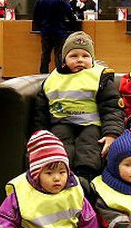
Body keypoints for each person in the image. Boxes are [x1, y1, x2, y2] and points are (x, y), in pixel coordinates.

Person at [33, 31, 124, 180]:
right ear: (63, 60)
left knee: (90, 142)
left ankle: (85, 174)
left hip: (92, 123)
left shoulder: (100, 77)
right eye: (73, 56)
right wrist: (39, 135)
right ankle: (62, 172)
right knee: (59, 140)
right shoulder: (52, 80)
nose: (80, 60)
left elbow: (112, 108)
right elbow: (40, 111)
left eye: (85, 56)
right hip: (62, 122)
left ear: (92, 60)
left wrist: (112, 134)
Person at [32, 0, 77, 74]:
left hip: (45, 32)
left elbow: (35, 17)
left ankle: (42, 77)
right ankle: (59, 76)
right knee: (59, 56)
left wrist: (41, 28)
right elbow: (70, 15)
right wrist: (73, 26)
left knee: (45, 55)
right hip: (59, 31)